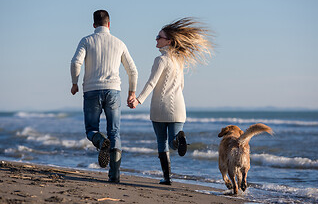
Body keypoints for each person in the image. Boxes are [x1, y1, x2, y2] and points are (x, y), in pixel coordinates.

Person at [129, 17, 214, 185]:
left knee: (162, 142)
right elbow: (181, 85)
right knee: (173, 143)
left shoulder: (160, 60)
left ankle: (167, 178)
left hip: (160, 108)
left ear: (168, 41)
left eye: (159, 37)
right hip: (179, 108)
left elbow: (151, 83)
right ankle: (179, 138)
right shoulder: (179, 60)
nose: (156, 39)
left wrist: (138, 100)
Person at [70, 10, 138, 183]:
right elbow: (133, 71)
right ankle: (114, 175)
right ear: (109, 24)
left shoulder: (86, 40)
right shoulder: (119, 43)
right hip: (113, 90)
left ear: (94, 25)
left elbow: (75, 62)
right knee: (114, 132)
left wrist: (75, 83)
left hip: (92, 90)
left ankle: (101, 142)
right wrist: (132, 92)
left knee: (91, 129)